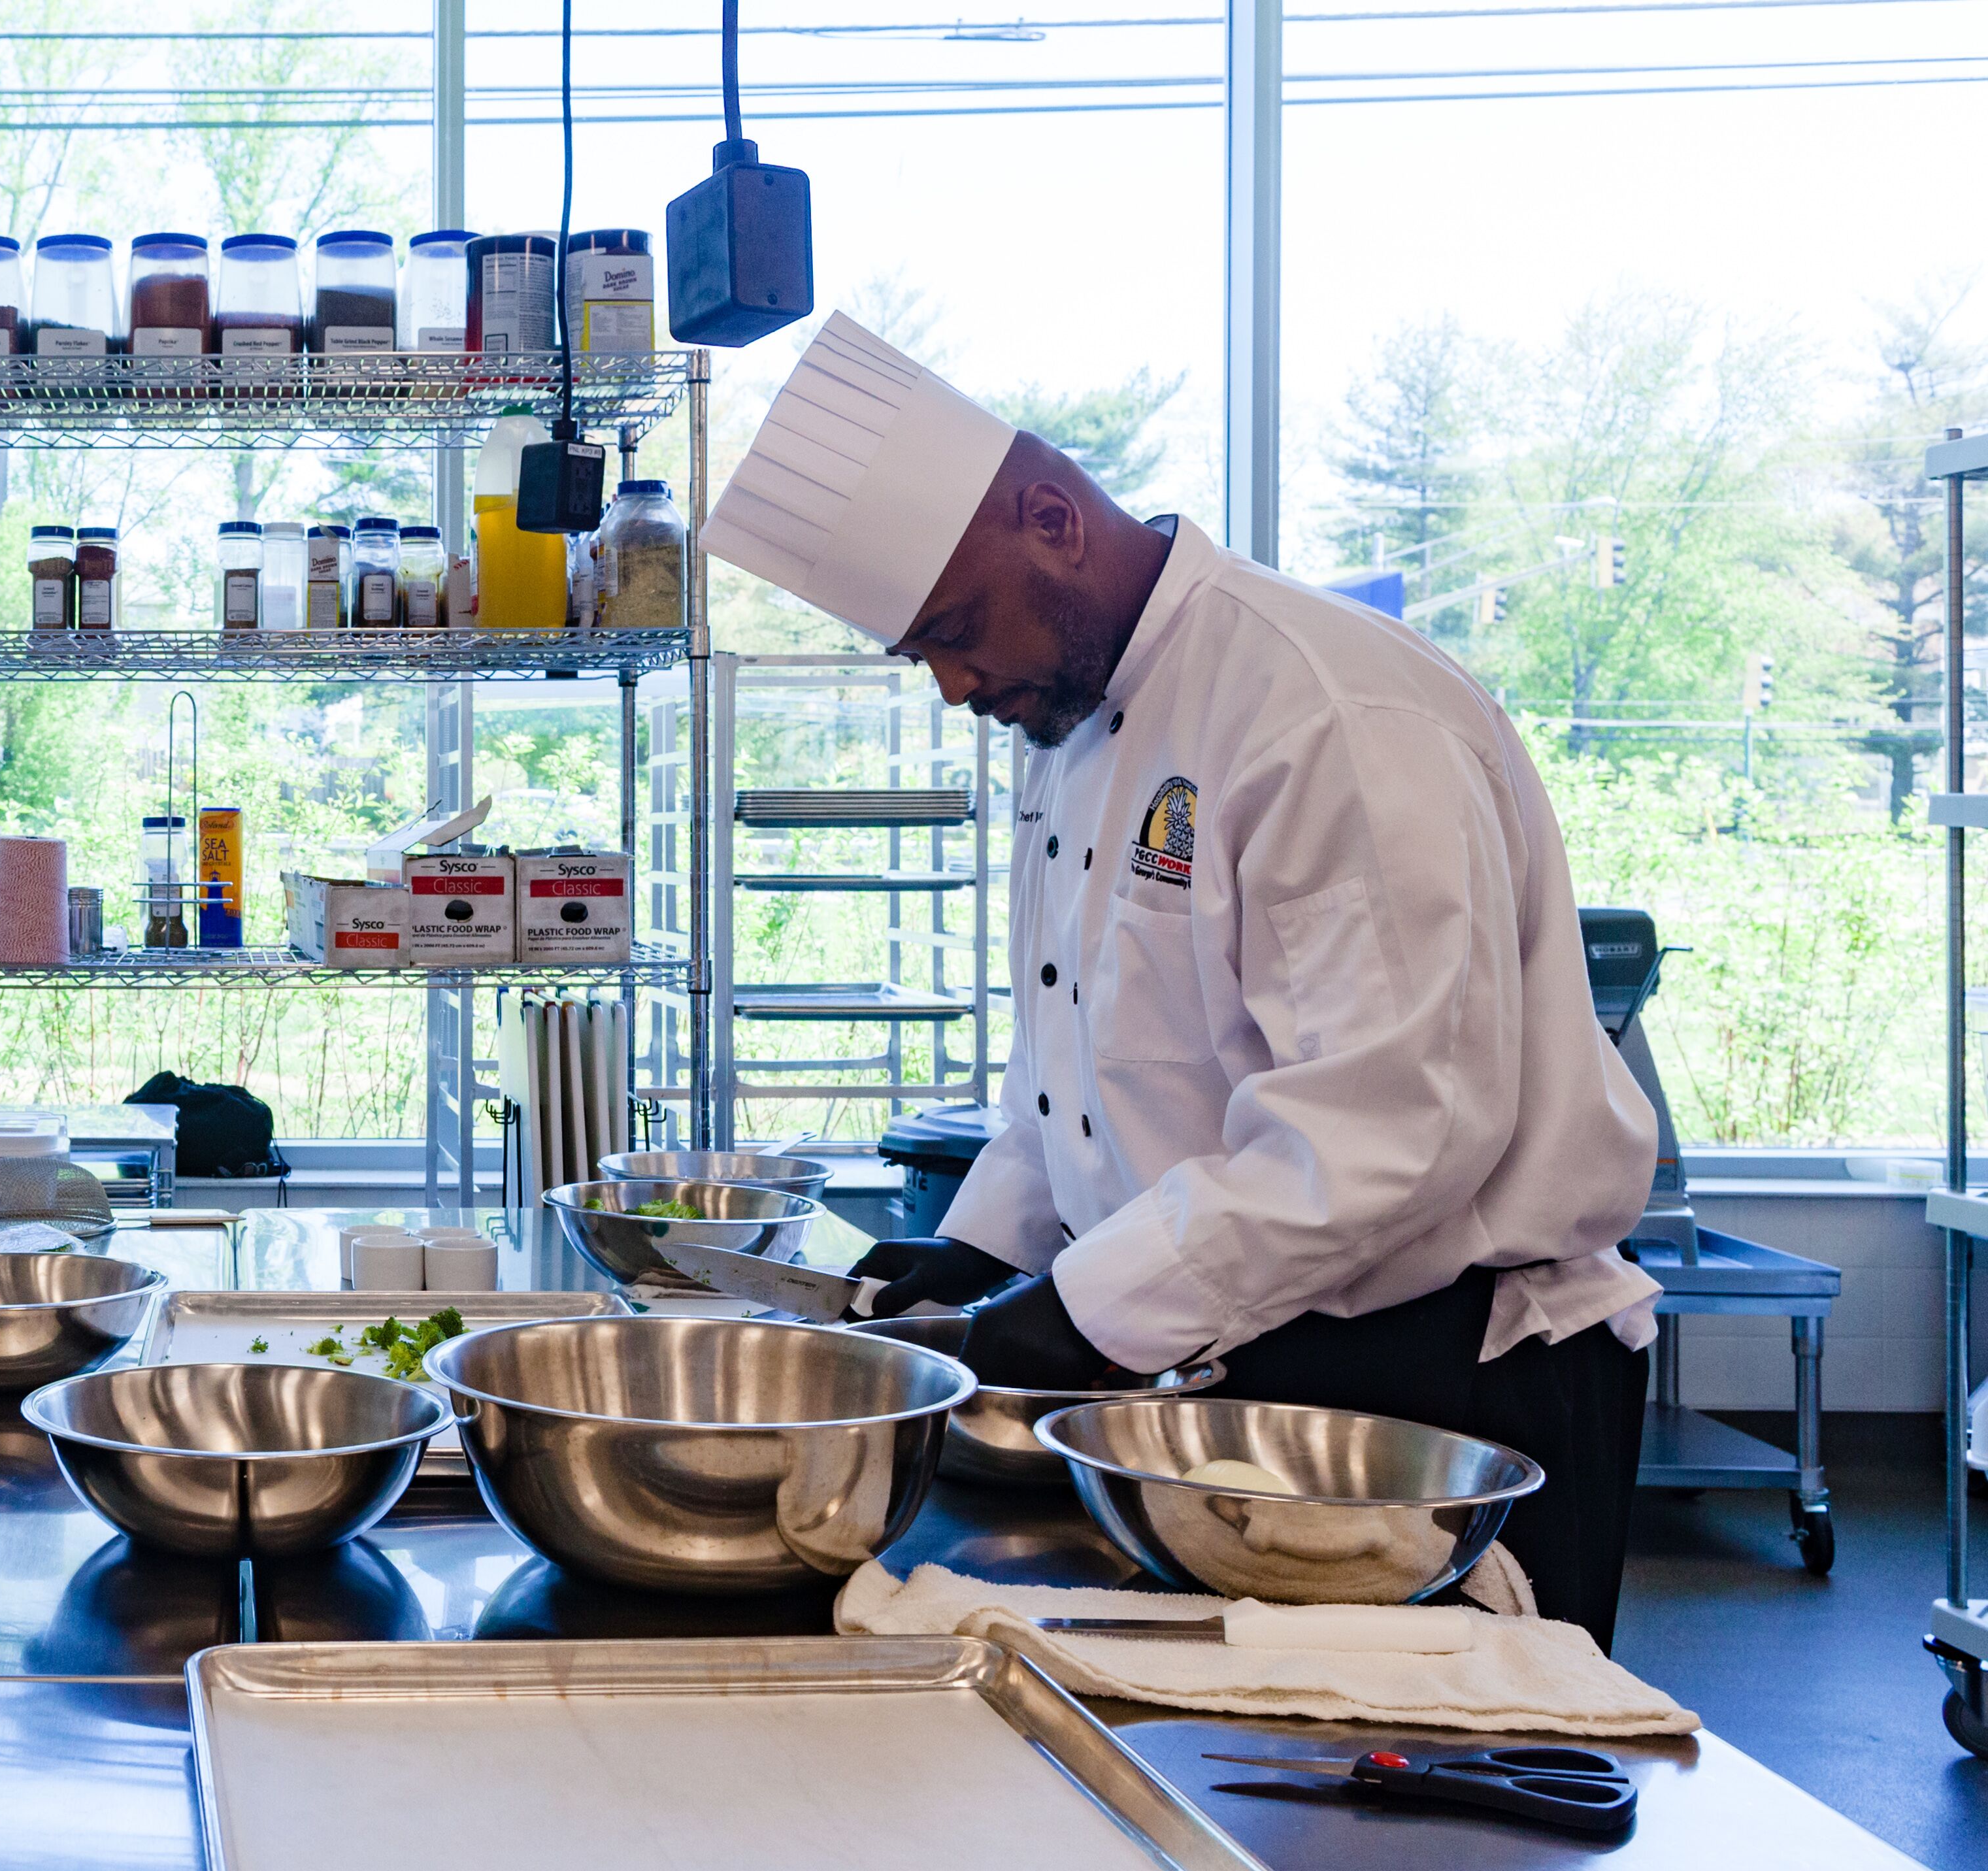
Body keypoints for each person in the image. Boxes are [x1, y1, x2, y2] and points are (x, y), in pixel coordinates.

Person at [698, 316, 1662, 1646]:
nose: (954, 684)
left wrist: (1082, 1309)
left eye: (959, 630)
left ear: (1053, 518)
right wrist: (984, 1252)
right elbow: (1082, 1071)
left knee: (1420, 1825)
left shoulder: (1322, 710)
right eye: (917, 652)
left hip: (1437, 1390)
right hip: (1233, 1364)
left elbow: (1395, 1126)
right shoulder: (1075, 721)